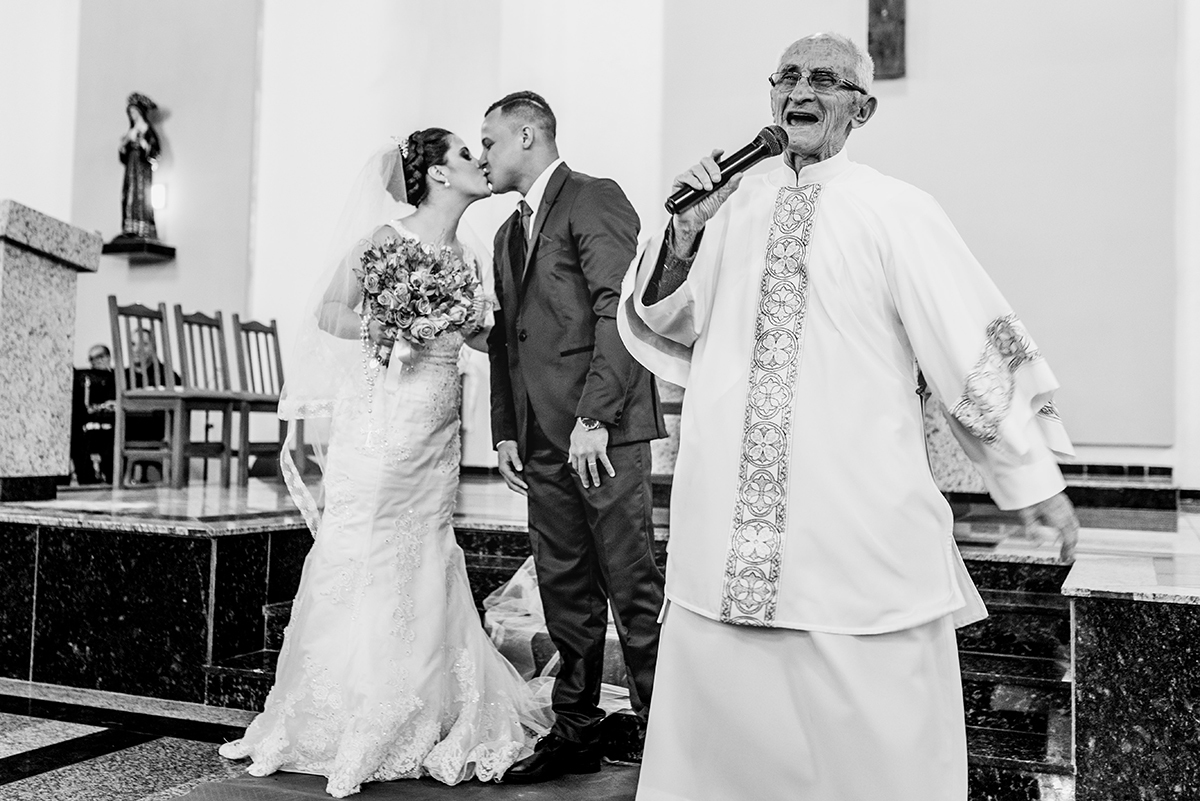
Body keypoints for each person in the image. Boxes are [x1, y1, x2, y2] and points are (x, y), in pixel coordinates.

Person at [618, 33, 1081, 801]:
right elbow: (664, 319)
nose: (802, 90)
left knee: (868, 740)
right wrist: (686, 229)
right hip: (727, 521)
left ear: (861, 108)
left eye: (826, 80)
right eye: (788, 76)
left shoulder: (896, 209)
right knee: (722, 733)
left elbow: (965, 341)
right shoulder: (729, 208)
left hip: (852, 524)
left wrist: (1030, 473)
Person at [218, 130, 551, 797]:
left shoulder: (468, 253)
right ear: (433, 173)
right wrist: (393, 321)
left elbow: (485, 336)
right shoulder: (384, 238)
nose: (476, 162)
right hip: (379, 425)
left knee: (426, 551)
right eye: (464, 154)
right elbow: (331, 311)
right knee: (361, 549)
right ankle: (341, 709)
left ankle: (420, 699)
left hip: (436, 430)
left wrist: (507, 325)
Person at [480, 91, 667, 783]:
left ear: (528, 135)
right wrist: (506, 430)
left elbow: (620, 310)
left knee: (630, 581)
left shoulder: (595, 198)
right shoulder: (506, 234)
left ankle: (662, 733)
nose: (483, 157)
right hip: (541, 441)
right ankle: (578, 727)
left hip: (603, 433)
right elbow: (506, 339)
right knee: (564, 585)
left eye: (490, 142)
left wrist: (594, 417)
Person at [118, 92, 161, 240]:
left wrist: (143, 144)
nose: (133, 115)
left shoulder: (146, 129)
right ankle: (129, 227)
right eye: (130, 113)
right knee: (129, 194)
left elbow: (154, 151)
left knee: (141, 195)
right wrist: (123, 146)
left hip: (141, 169)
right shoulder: (131, 130)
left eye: (134, 112)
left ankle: (143, 227)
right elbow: (123, 153)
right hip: (131, 166)